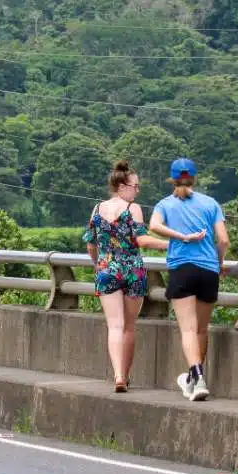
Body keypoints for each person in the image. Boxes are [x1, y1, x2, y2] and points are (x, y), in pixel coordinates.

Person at [83, 161, 169, 393]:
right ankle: (126, 375)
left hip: (106, 267)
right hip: (132, 268)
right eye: (135, 186)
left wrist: (99, 265)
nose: (137, 190)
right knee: (129, 326)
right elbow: (141, 240)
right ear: (122, 186)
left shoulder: (97, 208)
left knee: (114, 325)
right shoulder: (133, 209)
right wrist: (171, 244)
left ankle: (118, 375)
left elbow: (91, 245)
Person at [149, 158, 229, 402]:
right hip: (208, 271)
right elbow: (223, 240)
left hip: (182, 269)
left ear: (172, 179)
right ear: (195, 177)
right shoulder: (210, 203)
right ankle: (196, 380)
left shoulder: (165, 204)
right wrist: (219, 262)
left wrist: (181, 237)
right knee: (202, 329)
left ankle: (197, 376)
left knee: (188, 329)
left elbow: (154, 226)